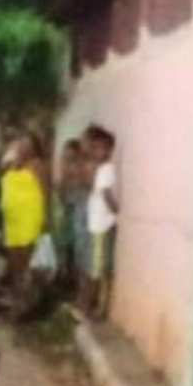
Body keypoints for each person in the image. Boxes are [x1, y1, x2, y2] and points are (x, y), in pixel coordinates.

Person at [0, 136, 47, 316]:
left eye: (26, 145)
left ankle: (27, 303)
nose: (21, 148)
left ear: (34, 148)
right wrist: (9, 162)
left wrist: (46, 218)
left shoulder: (36, 165)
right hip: (12, 220)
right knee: (14, 263)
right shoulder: (10, 166)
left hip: (29, 218)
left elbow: (46, 190)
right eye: (19, 144)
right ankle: (18, 300)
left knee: (26, 262)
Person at [81, 125, 119, 319]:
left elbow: (106, 195)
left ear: (109, 150)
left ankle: (98, 307)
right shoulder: (100, 168)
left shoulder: (106, 169)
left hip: (102, 225)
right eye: (96, 148)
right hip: (98, 224)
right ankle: (95, 306)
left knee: (100, 269)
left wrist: (116, 209)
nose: (98, 152)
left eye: (102, 148)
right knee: (99, 267)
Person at [54, 139, 90, 293]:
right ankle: (65, 278)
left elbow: (85, 186)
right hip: (66, 210)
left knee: (78, 249)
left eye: (71, 157)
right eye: (65, 156)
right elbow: (60, 191)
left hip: (79, 211)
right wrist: (64, 176)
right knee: (64, 246)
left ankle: (75, 283)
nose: (68, 160)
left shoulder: (82, 168)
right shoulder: (64, 168)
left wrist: (73, 175)